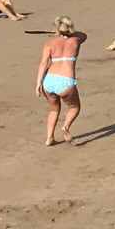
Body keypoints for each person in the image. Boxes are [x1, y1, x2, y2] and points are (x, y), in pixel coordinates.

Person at [36, 16, 85, 146]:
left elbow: (43, 63)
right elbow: (84, 35)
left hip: (49, 79)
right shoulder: (76, 40)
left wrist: (38, 83)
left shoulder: (49, 44)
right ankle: (66, 127)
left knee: (54, 109)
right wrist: (67, 33)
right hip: (65, 80)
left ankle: (49, 138)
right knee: (74, 107)